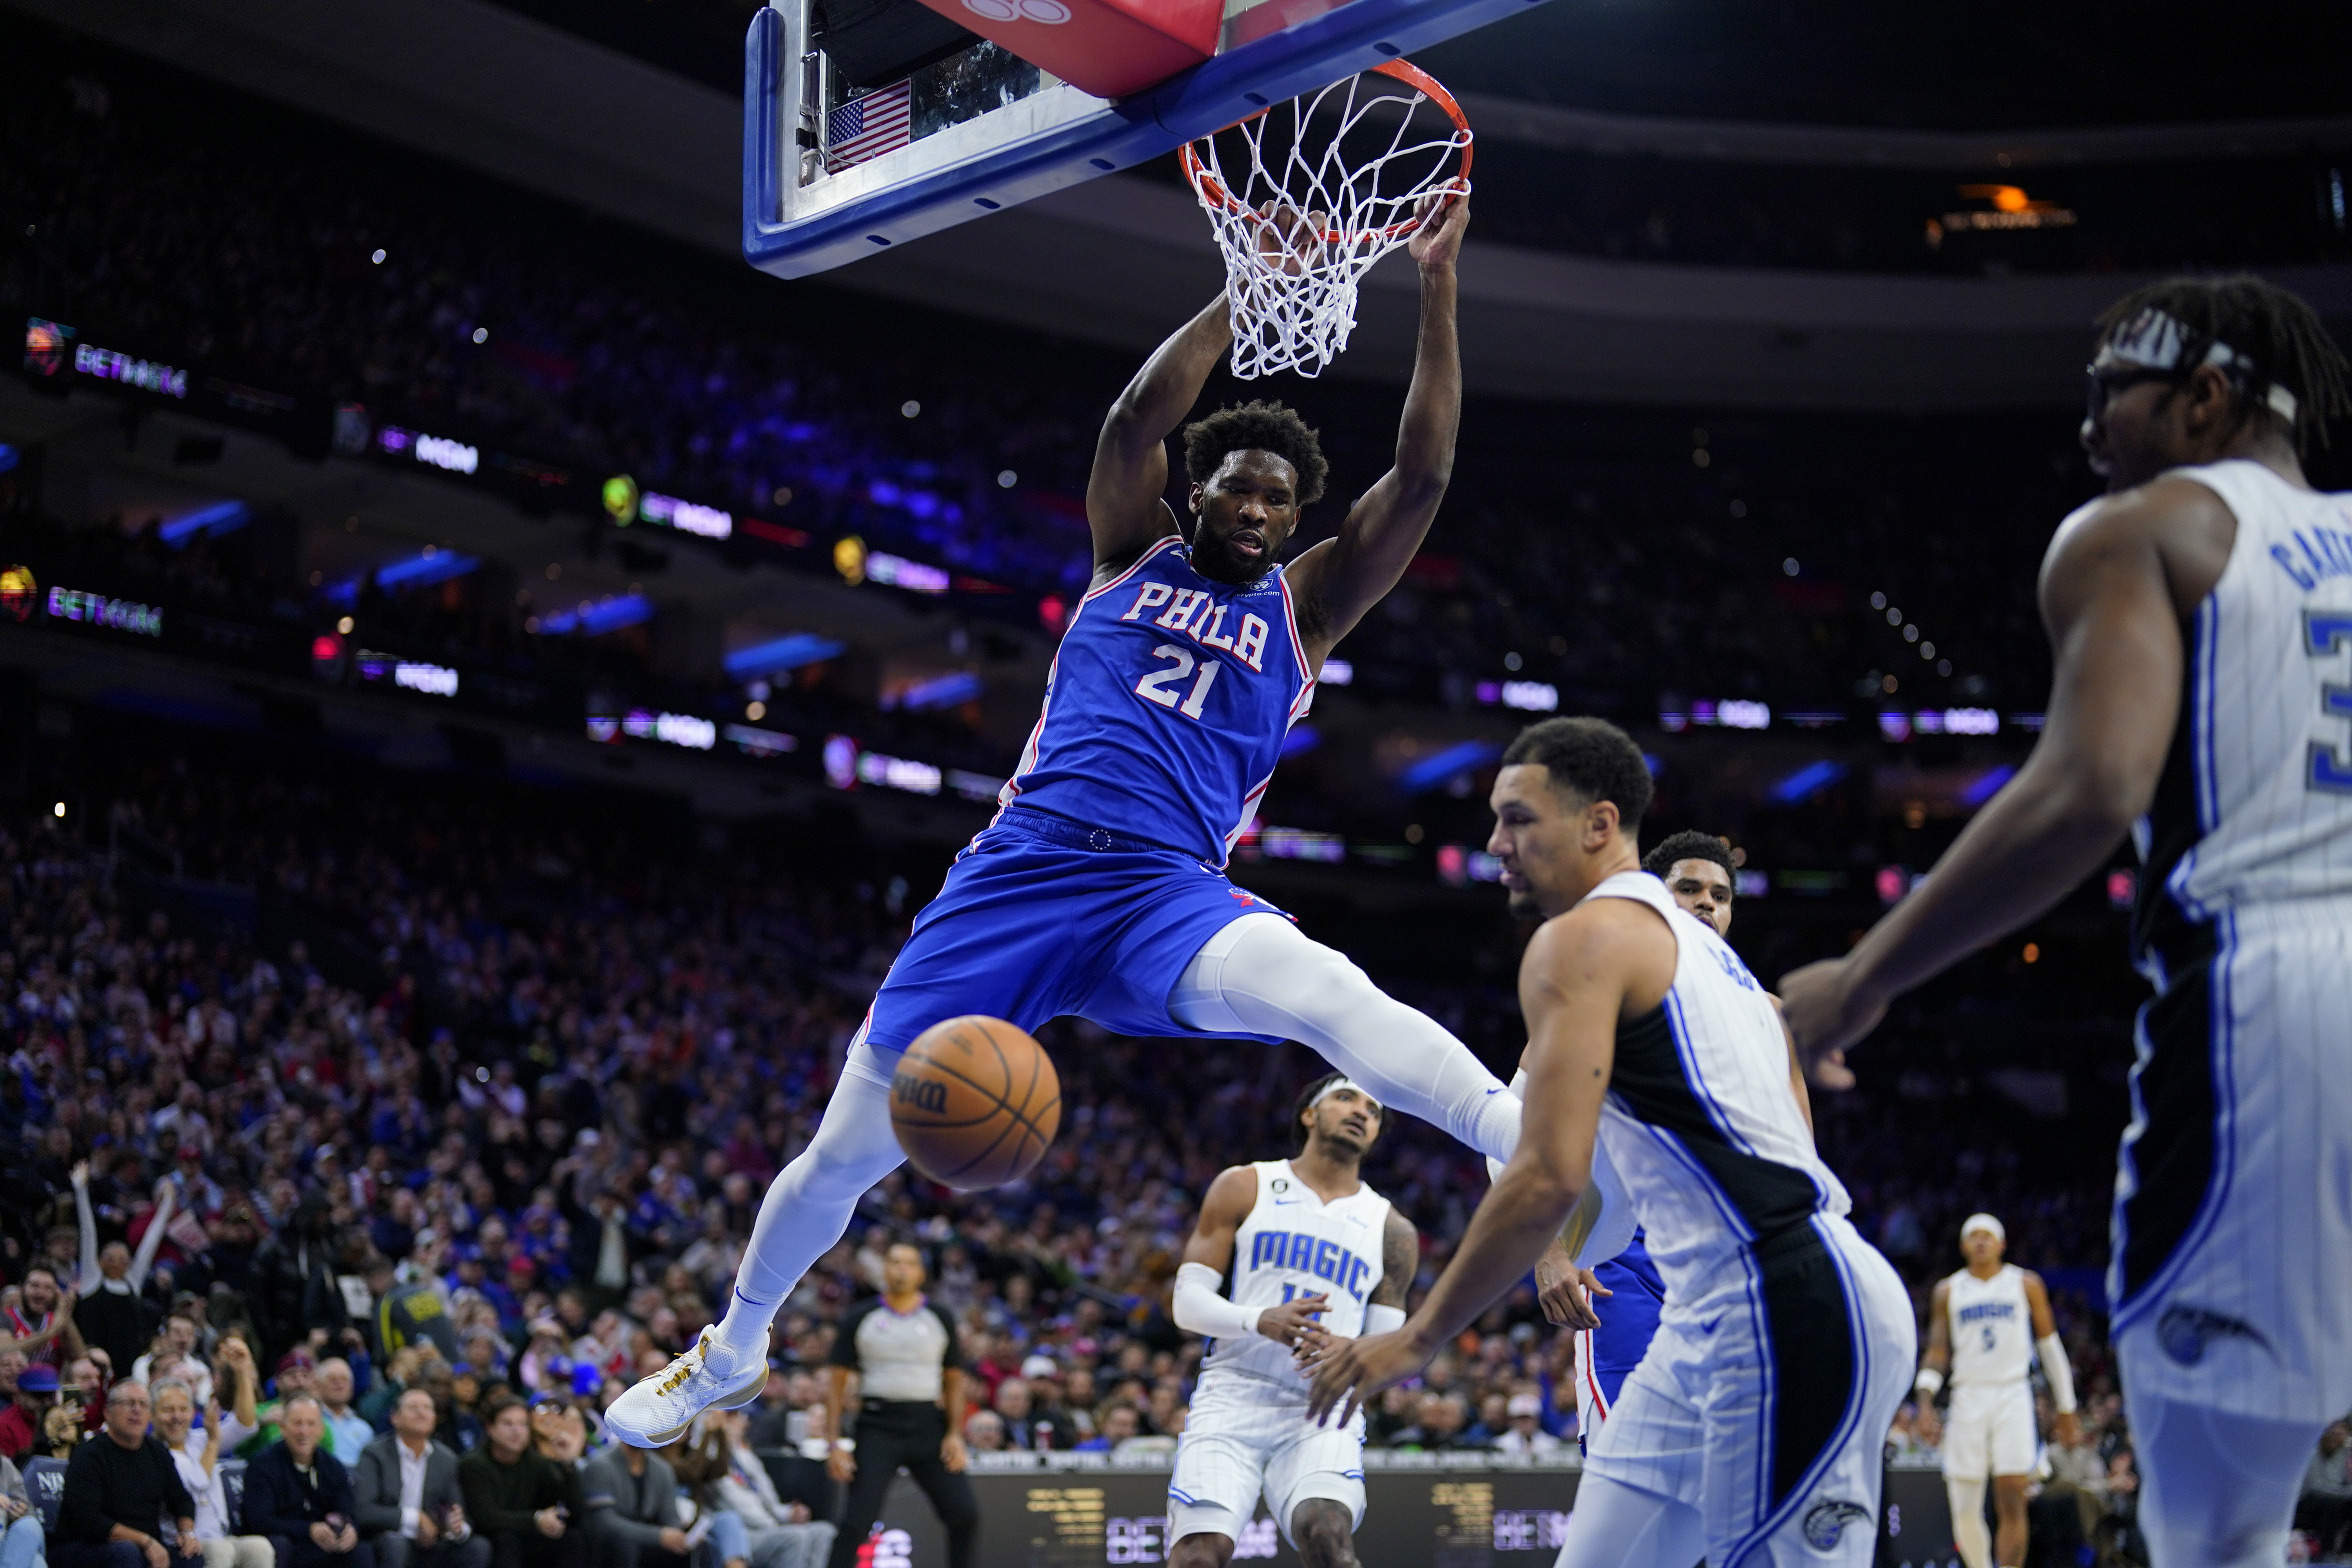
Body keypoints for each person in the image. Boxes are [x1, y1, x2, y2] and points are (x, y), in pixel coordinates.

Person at [603, 192, 1524, 1447]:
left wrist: (1438, 283)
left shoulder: (1305, 609)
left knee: (1326, 990)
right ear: (1196, 493)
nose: (1255, 512)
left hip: (1167, 892)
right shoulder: (1123, 556)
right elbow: (1132, 418)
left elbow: (1422, 477)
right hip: (1020, 872)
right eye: (1234, 490)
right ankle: (732, 1348)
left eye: (1276, 502)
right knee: (840, 1156)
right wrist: (1246, 291)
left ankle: (1518, 1138)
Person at [1779, 276, 2352, 1568]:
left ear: (2205, 397)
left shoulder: (2140, 530)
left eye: (2114, 392)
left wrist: (1865, 976)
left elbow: (2091, 788)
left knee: (2219, 1530)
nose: (2088, 420)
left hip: (2272, 1013)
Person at [1310, 717, 1916, 1568]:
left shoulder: (1580, 941)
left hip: (1785, 1297)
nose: (1496, 842)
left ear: (1599, 823)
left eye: (1519, 818)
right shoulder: (1729, 976)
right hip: (1705, 1311)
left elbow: (1546, 1175)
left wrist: (1417, 1337)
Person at [1165, 1075, 1415, 1568]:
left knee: (1326, 1532)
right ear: (1309, 1114)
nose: (1361, 1111)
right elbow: (1187, 1304)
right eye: (1345, 1097)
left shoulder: (1393, 1228)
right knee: (1198, 1555)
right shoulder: (1245, 1184)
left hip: (1322, 1407)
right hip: (1233, 1392)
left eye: (1374, 1109)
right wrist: (1261, 1319)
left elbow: (1387, 1347)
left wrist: (1353, 1350)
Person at [1913, 1214, 2081, 1568]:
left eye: (1987, 1236)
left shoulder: (2025, 1283)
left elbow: (2050, 1347)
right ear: (1963, 1246)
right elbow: (1938, 1349)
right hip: (1967, 1396)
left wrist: (2067, 1407)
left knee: (2011, 1499)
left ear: (2002, 1244)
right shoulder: (1948, 1290)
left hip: (2012, 1395)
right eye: (1973, 1236)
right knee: (1963, 1507)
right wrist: (1925, 1399)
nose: (1980, 1242)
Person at [816, 1244, 973, 1568]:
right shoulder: (861, 1316)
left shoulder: (940, 1317)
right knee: (856, 1524)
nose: (901, 1270)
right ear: (884, 1270)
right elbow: (836, 1386)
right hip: (878, 1427)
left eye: (910, 1264)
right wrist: (833, 1443)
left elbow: (955, 1381)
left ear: (921, 1273)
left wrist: (955, 1433)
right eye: (895, 1263)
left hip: (929, 1425)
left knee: (965, 1515)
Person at [54, 1381, 200, 1568]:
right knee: (125, 1551)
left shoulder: (158, 1452)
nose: (137, 1410)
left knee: (192, 1557)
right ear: (108, 1414)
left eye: (143, 1405)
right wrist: (145, 1541)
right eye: (129, 1404)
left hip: (143, 1547)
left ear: (150, 1415)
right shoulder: (89, 1456)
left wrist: (187, 1534)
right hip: (86, 1547)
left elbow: (182, 1500)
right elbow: (88, 1520)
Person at [353, 1388, 486, 1568]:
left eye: (427, 1408)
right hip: (390, 1538)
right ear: (395, 1418)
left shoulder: (447, 1459)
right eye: (413, 1407)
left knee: (478, 1547)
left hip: (432, 1542)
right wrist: (415, 1518)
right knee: (396, 1545)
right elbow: (364, 1511)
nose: (421, 1412)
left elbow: (457, 1510)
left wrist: (456, 1527)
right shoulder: (375, 1454)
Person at [241, 1395, 374, 1568]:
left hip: (325, 1542)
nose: (304, 1432)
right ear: (283, 1428)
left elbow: (346, 1509)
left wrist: (351, 1529)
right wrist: (309, 1530)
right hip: (290, 1541)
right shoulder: (263, 1466)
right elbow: (259, 1521)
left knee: (361, 1550)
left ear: (321, 1429)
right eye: (297, 1424)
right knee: (283, 1547)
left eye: (311, 1424)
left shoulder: (332, 1466)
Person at [150, 1377, 268, 1568]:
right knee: (221, 1550)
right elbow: (195, 1487)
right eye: (168, 1410)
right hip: (182, 1545)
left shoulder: (199, 1440)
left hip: (220, 1537)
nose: (177, 1417)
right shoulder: (151, 1453)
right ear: (152, 1414)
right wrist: (213, 1443)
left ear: (193, 1412)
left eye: (184, 1409)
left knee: (260, 1547)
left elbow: (245, 1426)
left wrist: (242, 1372)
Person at [697, 1408, 833, 1568]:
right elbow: (738, 1506)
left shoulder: (745, 1456)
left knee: (823, 1531)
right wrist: (775, 1525)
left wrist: (788, 1513)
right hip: (742, 1531)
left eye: (740, 1416)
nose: (743, 1422)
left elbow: (767, 1498)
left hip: (767, 1525)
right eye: (733, 1417)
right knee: (794, 1537)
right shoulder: (710, 1458)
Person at [457, 1398, 581, 1568]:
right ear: (490, 1429)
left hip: (528, 1534)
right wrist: (537, 1519)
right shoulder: (473, 1464)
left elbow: (573, 1510)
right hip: (491, 1537)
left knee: (571, 1538)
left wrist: (568, 1465)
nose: (517, 1431)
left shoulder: (536, 1463)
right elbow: (486, 1518)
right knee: (507, 1542)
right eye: (508, 1424)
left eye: (523, 1425)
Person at [73, 1167, 172, 1376]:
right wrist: (80, 1189)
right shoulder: (91, 1281)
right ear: (99, 1261)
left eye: (122, 1259)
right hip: (96, 1367)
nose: (115, 1263)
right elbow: (88, 1234)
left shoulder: (133, 1283)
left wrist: (167, 1204)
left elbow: (151, 1241)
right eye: (109, 1258)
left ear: (129, 1263)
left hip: (129, 1369)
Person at [575, 1437, 685, 1568]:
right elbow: (604, 1522)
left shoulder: (662, 1469)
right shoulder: (600, 1465)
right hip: (608, 1543)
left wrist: (676, 1536)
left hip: (648, 1542)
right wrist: (658, 1536)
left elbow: (671, 1517)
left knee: (685, 1552)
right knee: (625, 1546)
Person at [2, 1267, 82, 1372]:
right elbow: (5, 1351)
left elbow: (79, 1359)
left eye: (48, 1288)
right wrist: (50, 1333)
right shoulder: (5, 1316)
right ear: (21, 1288)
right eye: (35, 1286)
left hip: (50, 1386)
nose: (41, 1294)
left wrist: (65, 1313)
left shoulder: (56, 1320)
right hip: (14, 1385)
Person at [314, 1365, 374, 1467]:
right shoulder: (311, 1422)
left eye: (344, 1379)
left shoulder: (364, 1428)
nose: (339, 1384)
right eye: (332, 1379)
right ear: (318, 1385)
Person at [0, 1366, 58, 1462]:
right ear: (20, 1394)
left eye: (51, 1396)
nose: (47, 1402)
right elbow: (8, 1472)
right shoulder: (5, 1425)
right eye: (39, 1396)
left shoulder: (62, 1419)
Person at [2, 1452, 44, 1568]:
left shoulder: (3, 1465)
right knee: (36, 1562)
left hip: (5, 1539)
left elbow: (28, 1508)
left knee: (30, 1526)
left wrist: (19, 1511)